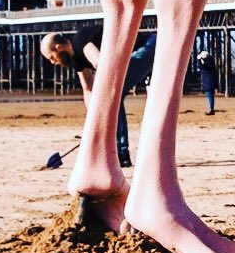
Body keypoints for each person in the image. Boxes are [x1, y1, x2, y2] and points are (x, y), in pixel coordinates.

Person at [41, 26, 157, 167]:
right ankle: (119, 152)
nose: (53, 62)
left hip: (149, 46)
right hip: (144, 50)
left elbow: (100, 63)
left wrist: (102, 111)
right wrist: (94, 120)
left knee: (113, 95)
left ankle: (120, 153)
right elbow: (88, 88)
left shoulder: (80, 41)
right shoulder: (75, 60)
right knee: (112, 95)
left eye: (52, 58)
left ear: (59, 48)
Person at [198, 49, 219, 113]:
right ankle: (211, 108)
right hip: (209, 82)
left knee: (210, 95)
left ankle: (211, 109)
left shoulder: (208, 62)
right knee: (210, 95)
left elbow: (203, 66)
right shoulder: (210, 60)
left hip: (209, 82)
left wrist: (200, 60)